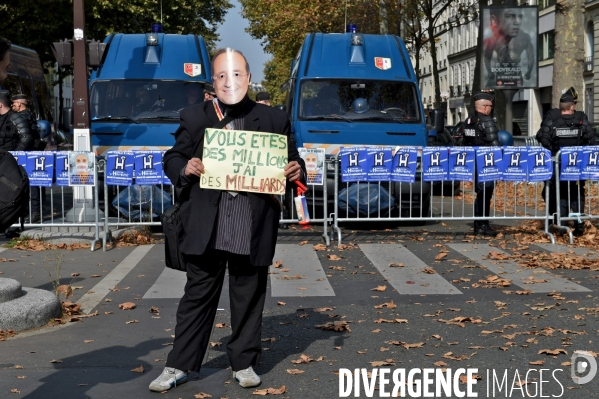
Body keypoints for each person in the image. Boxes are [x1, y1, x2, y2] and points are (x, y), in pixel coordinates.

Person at [149, 47, 305, 393]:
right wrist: (184, 168)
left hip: (251, 223)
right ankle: (179, 364)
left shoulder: (275, 120)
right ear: (213, 82)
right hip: (207, 223)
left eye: (235, 75)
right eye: (220, 75)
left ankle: (244, 362)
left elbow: (294, 164)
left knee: (248, 298)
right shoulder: (194, 116)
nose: (228, 81)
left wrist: (296, 171)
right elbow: (172, 157)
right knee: (197, 298)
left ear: (248, 79)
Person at [536, 91, 595, 236]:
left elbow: (543, 139)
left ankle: (561, 225)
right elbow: (591, 139)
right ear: (572, 107)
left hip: (559, 165)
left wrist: (554, 152)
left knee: (561, 194)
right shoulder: (581, 121)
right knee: (577, 195)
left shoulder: (553, 122)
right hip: (576, 166)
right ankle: (578, 224)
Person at [463, 91, 501, 237]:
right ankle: (483, 225)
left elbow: (465, 142)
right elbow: (495, 145)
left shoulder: (469, 121)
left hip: (475, 163)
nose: (491, 108)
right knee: (486, 193)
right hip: (487, 163)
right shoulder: (487, 121)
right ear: (485, 106)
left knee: (481, 194)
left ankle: (478, 225)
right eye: (490, 106)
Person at [483, 7, 535, 87]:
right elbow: (487, 57)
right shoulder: (492, 39)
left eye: (519, 17)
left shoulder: (525, 37)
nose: (516, 22)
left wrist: (529, 72)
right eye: (510, 17)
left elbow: (531, 57)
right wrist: (489, 72)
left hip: (515, 74)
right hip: (502, 74)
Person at [12, 94, 43, 223]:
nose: (12, 105)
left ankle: (34, 212)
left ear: (19, 104)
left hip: (26, 153)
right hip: (29, 152)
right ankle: (33, 211)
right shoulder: (28, 115)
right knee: (31, 182)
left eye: (13, 103)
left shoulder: (22, 117)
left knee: (31, 183)